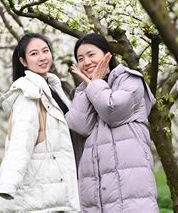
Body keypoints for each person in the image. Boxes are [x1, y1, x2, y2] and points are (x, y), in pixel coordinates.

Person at [66, 33, 158, 212]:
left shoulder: (130, 80)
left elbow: (112, 111)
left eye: (91, 54)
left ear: (108, 55)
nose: (86, 62)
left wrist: (93, 84)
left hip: (131, 195)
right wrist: (88, 85)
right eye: (80, 58)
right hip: (96, 197)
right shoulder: (86, 91)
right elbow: (78, 125)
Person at [0, 33, 80, 212]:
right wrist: (8, 185)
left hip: (55, 187)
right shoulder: (29, 95)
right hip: (40, 193)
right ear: (23, 61)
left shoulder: (52, 89)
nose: (42, 57)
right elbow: (20, 143)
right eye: (34, 54)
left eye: (45, 51)